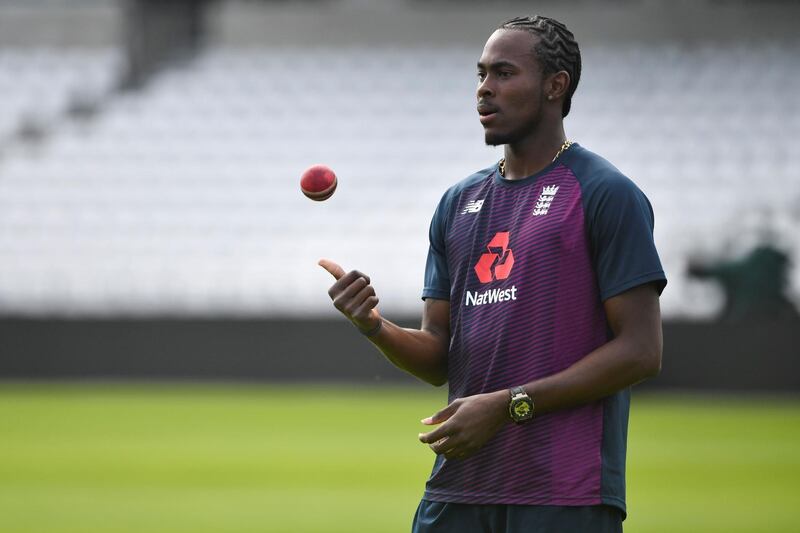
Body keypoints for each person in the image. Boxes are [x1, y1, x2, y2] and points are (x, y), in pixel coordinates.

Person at [320, 15, 666, 533]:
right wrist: (374, 325)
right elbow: (439, 354)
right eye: (481, 75)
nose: (485, 90)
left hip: (563, 493)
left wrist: (509, 406)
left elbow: (641, 350)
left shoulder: (604, 193)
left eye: (504, 74)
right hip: (458, 487)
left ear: (555, 85)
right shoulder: (457, 203)